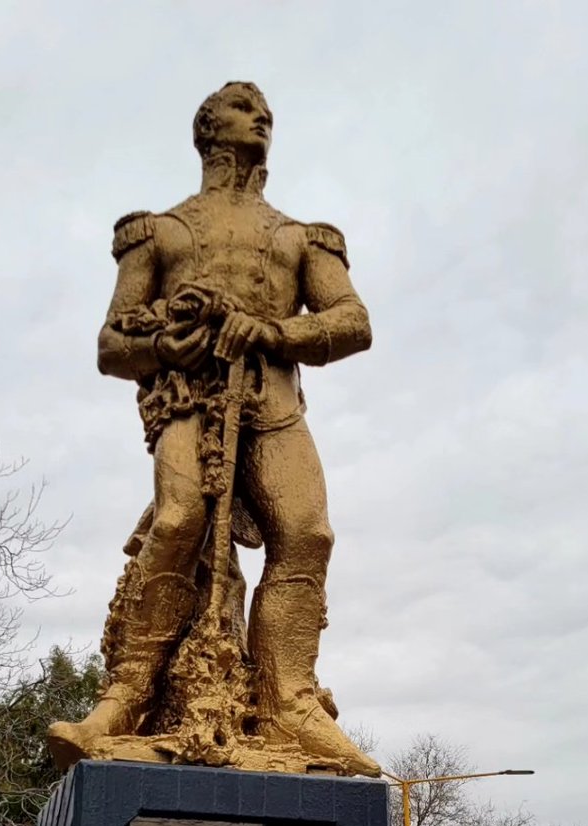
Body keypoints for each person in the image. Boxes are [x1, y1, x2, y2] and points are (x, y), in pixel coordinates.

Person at [48, 82, 378, 777]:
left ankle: (289, 699)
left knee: (308, 534)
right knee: (178, 520)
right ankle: (127, 697)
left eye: (268, 114)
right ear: (207, 128)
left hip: (273, 402)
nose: (261, 118)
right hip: (190, 400)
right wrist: (166, 348)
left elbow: (352, 321)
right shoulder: (160, 231)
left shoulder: (300, 236)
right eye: (243, 108)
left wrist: (274, 330)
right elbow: (112, 345)